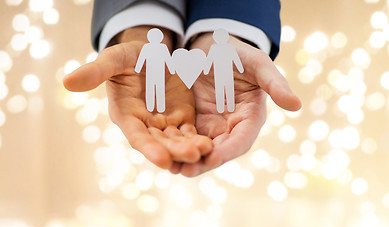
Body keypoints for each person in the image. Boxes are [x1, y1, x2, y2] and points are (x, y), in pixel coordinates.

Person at [63, 0, 302, 177]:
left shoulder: (223, 50)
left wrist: (226, 33)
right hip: (153, 75)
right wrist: (140, 30)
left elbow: (224, 62)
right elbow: (159, 60)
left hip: (207, 70)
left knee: (224, 93)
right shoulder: (149, 50)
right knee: (156, 92)